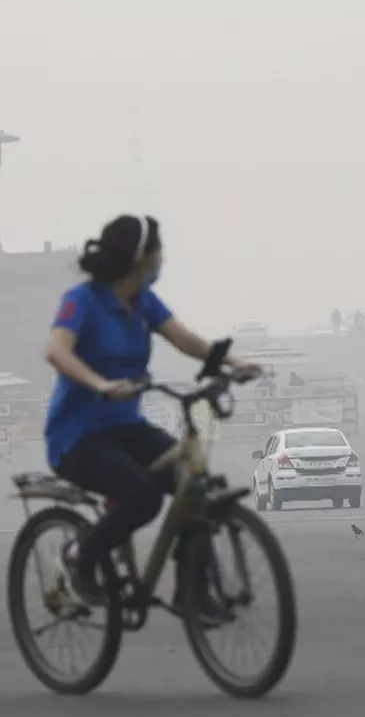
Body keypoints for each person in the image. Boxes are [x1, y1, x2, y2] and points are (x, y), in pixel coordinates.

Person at [44, 214, 261, 604]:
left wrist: (233, 363)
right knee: (144, 497)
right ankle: (82, 557)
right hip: (78, 437)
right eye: (159, 254)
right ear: (142, 258)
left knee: (195, 488)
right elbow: (56, 351)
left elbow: (183, 338)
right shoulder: (82, 301)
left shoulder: (143, 302)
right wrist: (100, 384)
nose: (162, 262)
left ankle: (193, 592)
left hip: (127, 428)